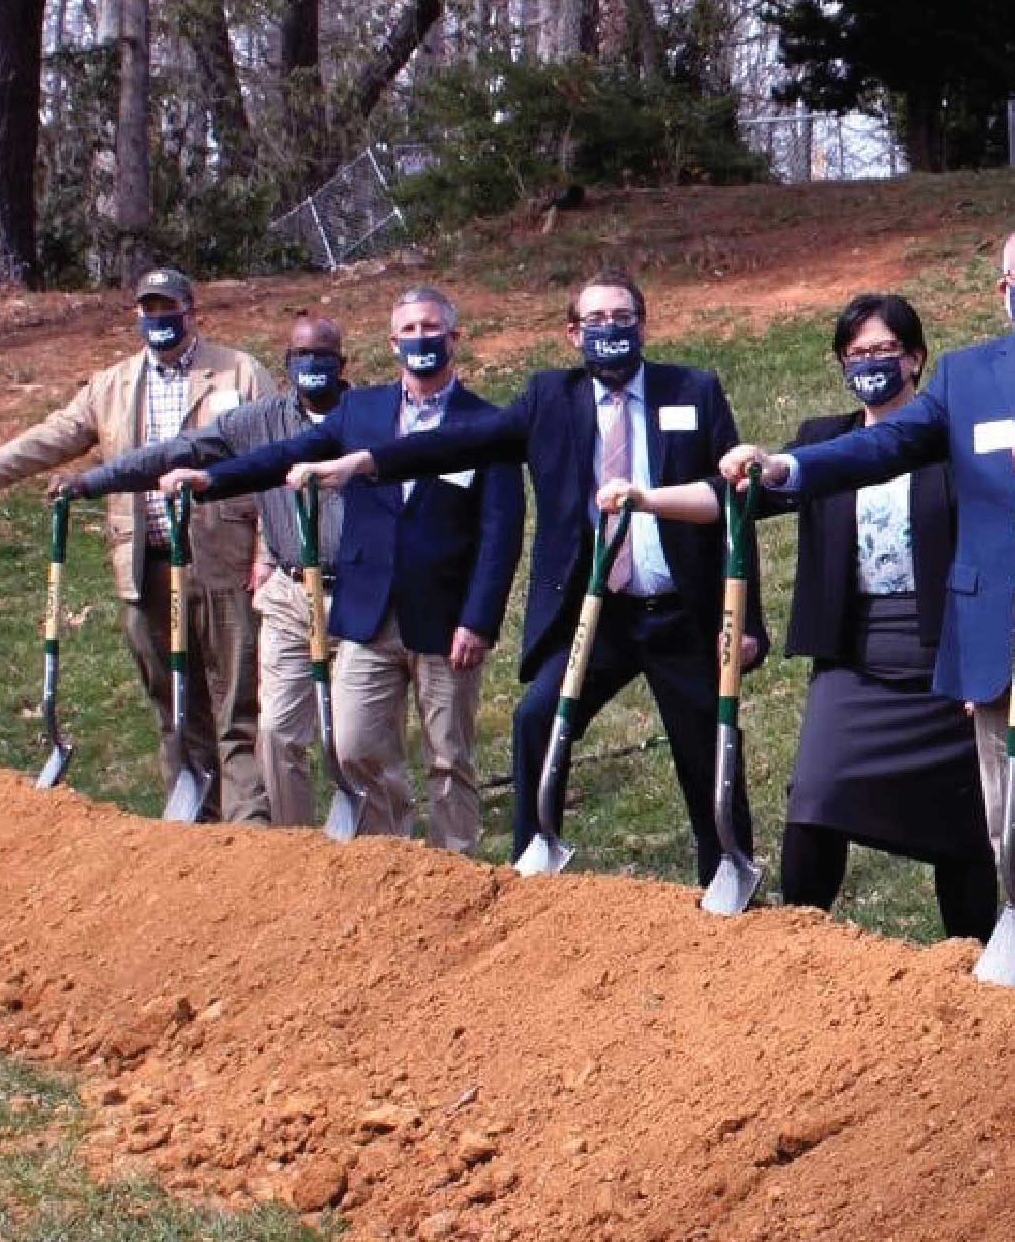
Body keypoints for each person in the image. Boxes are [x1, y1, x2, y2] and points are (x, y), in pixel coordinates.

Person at [696, 217, 1015, 1003]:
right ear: (1003, 292)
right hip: (997, 646)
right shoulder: (967, 380)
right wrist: (787, 466)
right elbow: (882, 448)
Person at [278, 268, 760, 884]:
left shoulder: (692, 390)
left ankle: (729, 870)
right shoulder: (550, 399)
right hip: (598, 610)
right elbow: (460, 443)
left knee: (708, 747)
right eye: (594, 321)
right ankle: (536, 857)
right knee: (538, 718)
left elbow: (736, 505)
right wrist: (369, 462)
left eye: (621, 318)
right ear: (571, 333)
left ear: (644, 324)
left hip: (681, 610)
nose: (608, 330)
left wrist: (746, 623)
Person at [178, 286, 522, 848]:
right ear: (392, 344)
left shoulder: (487, 423)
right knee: (354, 744)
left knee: (448, 755)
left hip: (445, 619)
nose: (421, 339)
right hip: (369, 613)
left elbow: (501, 532)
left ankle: (455, 868)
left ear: (454, 338)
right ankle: (389, 854)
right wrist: (216, 479)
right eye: (409, 330)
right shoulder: (361, 412)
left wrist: (479, 618)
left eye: (432, 327)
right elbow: (288, 453)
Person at [0, 264, 268, 818]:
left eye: (169, 309)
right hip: (146, 566)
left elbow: (270, 462)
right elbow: (55, 434)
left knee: (237, 702)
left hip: (223, 562)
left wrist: (265, 551)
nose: (159, 319)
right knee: (173, 705)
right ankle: (194, 824)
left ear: (193, 313)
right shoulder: (113, 385)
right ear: (137, 315)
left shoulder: (240, 373)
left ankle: (251, 827)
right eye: (150, 309)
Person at [766, 293, 1002, 939]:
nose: (870, 363)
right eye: (856, 352)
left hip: (942, 659)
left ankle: (969, 960)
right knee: (816, 795)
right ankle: (795, 943)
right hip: (853, 657)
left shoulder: (954, 445)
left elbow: (993, 544)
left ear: (916, 358)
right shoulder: (823, 441)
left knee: (961, 828)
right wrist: (651, 498)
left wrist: (981, 659)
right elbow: (745, 498)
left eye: (884, 350)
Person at [76, 311, 356, 827]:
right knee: (275, 733)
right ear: (287, 363)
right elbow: (179, 451)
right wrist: (97, 481)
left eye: (323, 355)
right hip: (293, 593)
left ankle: (382, 842)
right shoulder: (259, 422)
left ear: (343, 363)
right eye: (301, 356)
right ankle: (291, 846)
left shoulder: (370, 415)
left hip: (362, 592)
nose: (312, 365)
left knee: (360, 738)